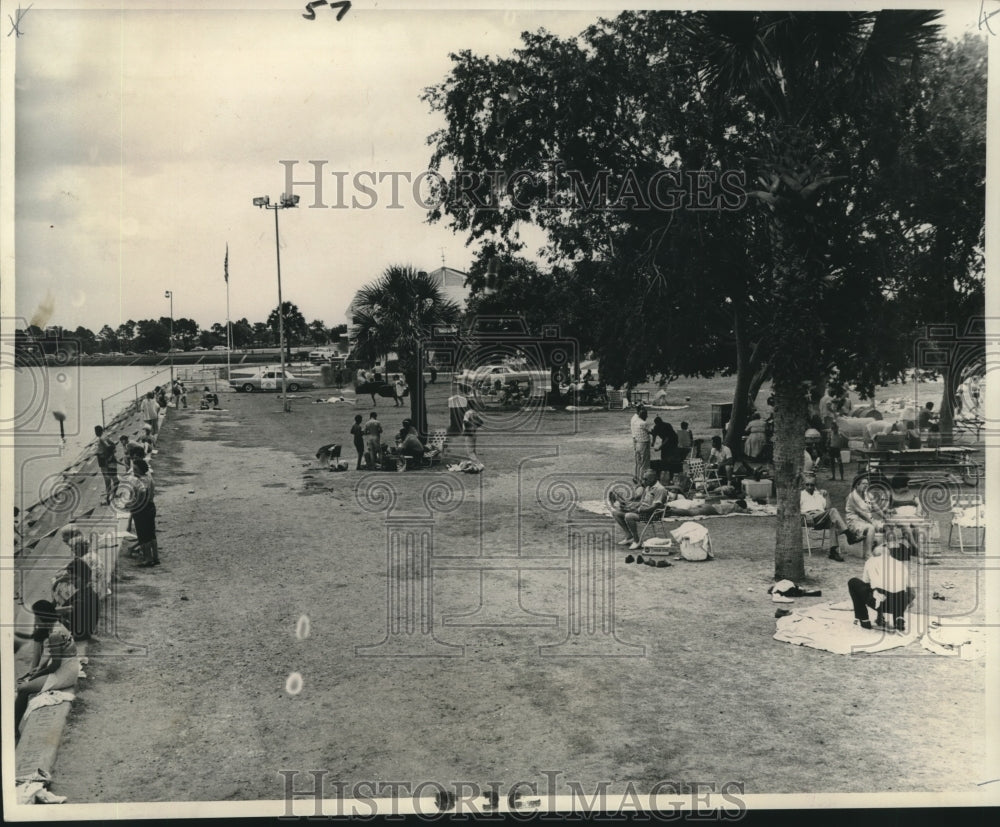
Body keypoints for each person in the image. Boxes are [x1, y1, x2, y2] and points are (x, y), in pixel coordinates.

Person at [14, 601, 80, 741]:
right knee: (27, 682)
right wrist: (38, 669)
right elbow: (54, 657)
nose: (35, 620)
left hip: (65, 673)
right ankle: (14, 726)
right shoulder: (56, 626)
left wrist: (35, 676)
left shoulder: (54, 634)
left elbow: (54, 665)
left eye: (37, 616)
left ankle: (13, 729)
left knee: (23, 688)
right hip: (68, 666)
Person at [848, 536, 914, 632]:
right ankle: (899, 618)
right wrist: (908, 602)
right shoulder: (900, 564)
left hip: (880, 602)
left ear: (874, 555)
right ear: (889, 554)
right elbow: (912, 592)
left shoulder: (870, 561)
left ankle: (864, 619)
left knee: (853, 582)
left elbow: (867, 586)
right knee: (899, 590)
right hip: (899, 603)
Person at [610, 470, 669, 550]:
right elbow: (642, 502)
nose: (644, 481)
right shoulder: (648, 487)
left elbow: (654, 507)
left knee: (629, 516)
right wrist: (629, 505)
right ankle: (629, 536)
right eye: (643, 479)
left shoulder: (660, 489)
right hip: (643, 511)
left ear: (654, 478)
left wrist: (638, 510)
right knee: (616, 513)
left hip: (653, 515)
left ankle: (636, 540)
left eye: (646, 479)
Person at [800, 472, 849, 561]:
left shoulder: (819, 494)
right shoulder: (800, 495)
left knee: (833, 521)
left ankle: (833, 551)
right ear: (804, 485)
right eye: (807, 485)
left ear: (815, 485)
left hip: (822, 517)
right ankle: (848, 534)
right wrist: (805, 515)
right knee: (833, 511)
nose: (810, 487)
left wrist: (827, 496)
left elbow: (827, 508)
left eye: (812, 485)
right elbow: (795, 511)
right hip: (809, 517)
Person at [125, 458, 159, 567]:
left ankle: (147, 558)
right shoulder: (149, 478)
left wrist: (131, 504)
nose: (134, 471)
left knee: (143, 536)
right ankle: (155, 557)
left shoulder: (140, 481)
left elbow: (141, 493)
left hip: (142, 510)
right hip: (151, 507)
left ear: (139, 470)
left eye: (135, 469)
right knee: (151, 534)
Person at [845, 474, 885, 560]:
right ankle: (868, 553)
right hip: (855, 522)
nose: (866, 485)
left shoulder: (868, 495)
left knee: (886, 526)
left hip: (868, 520)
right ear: (857, 485)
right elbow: (860, 513)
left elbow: (876, 507)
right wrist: (872, 522)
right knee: (871, 528)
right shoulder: (852, 496)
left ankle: (883, 549)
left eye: (867, 483)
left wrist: (885, 517)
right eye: (863, 483)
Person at [93, 425, 119, 505]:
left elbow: (108, 447)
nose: (95, 433)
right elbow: (113, 444)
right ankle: (112, 495)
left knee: (107, 480)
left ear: (97, 432)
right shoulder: (106, 436)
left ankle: (108, 498)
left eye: (95, 432)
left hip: (103, 460)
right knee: (111, 478)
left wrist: (100, 453)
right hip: (107, 459)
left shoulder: (101, 438)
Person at [650, 417, 679, 484]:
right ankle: (665, 473)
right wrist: (652, 444)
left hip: (673, 440)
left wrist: (660, 447)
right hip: (666, 440)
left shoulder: (667, 425)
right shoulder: (656, 427)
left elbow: (667, 438)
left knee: (670, 458)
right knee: (663, 457)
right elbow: (654, 436)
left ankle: (670, 475)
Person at [629, 405, 652, 483]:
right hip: (644, 443)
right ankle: (642, 479)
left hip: (637, 442)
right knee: (644, 462)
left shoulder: (635, 420)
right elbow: (651, 431)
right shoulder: (643, 423)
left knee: (638, 461)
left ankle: (636, 477)